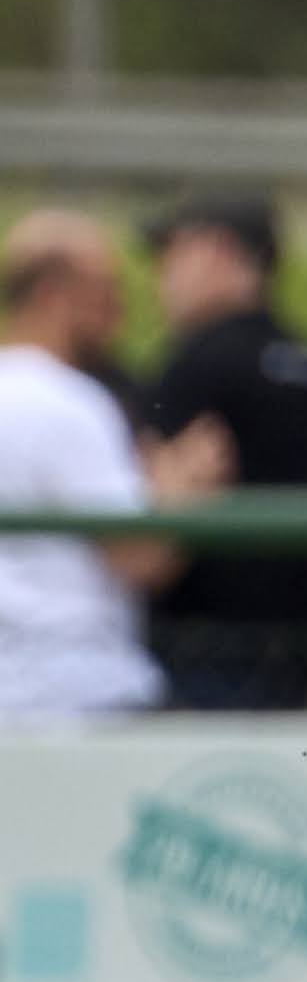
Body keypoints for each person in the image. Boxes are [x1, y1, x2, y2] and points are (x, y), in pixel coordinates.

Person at [136, 191, 307, 708]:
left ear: (217, 252)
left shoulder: (193, 363)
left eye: (172, 253)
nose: (161, 275)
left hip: (205, 652)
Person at [0, 211, 221, 718]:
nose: (118, 313)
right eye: (104, 292)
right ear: (52, 293)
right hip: (78, 690)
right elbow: (139, 558)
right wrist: (181, 485)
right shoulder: (72, 402)